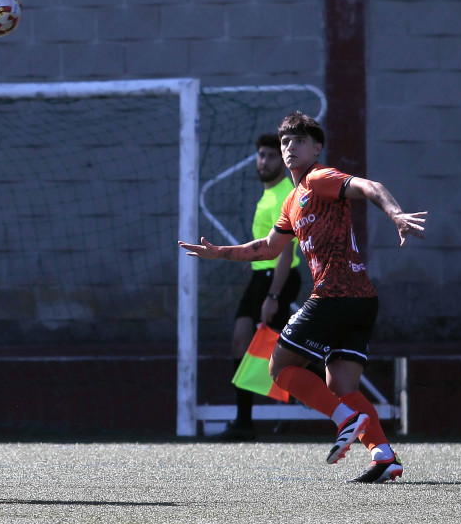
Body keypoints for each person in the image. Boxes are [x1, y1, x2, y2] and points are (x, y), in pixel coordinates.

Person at [179, 111, 427, 483]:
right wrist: (220, 253)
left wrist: (395, 214)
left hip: (335, 295)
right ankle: (383, 455)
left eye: (298, 140)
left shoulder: (319, 179)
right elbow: (267, 247)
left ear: (317, 147)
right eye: (285, 142)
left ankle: (345, 418)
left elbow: (370, 186)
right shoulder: (291, 201)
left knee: (278, 368)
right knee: (341, 386)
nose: (290, 147)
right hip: (361, 300)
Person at [214, 133, 302, 441]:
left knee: (285, 355)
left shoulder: (284, 195)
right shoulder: (267, 193)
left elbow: (286, 251)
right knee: (241, 341)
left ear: (282, 160)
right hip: (258, 277)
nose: (263, 162)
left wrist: (274, 296)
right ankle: (243, 423)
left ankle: (335, 401)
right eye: (261, 156)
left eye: (270, 156)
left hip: (278, 278)